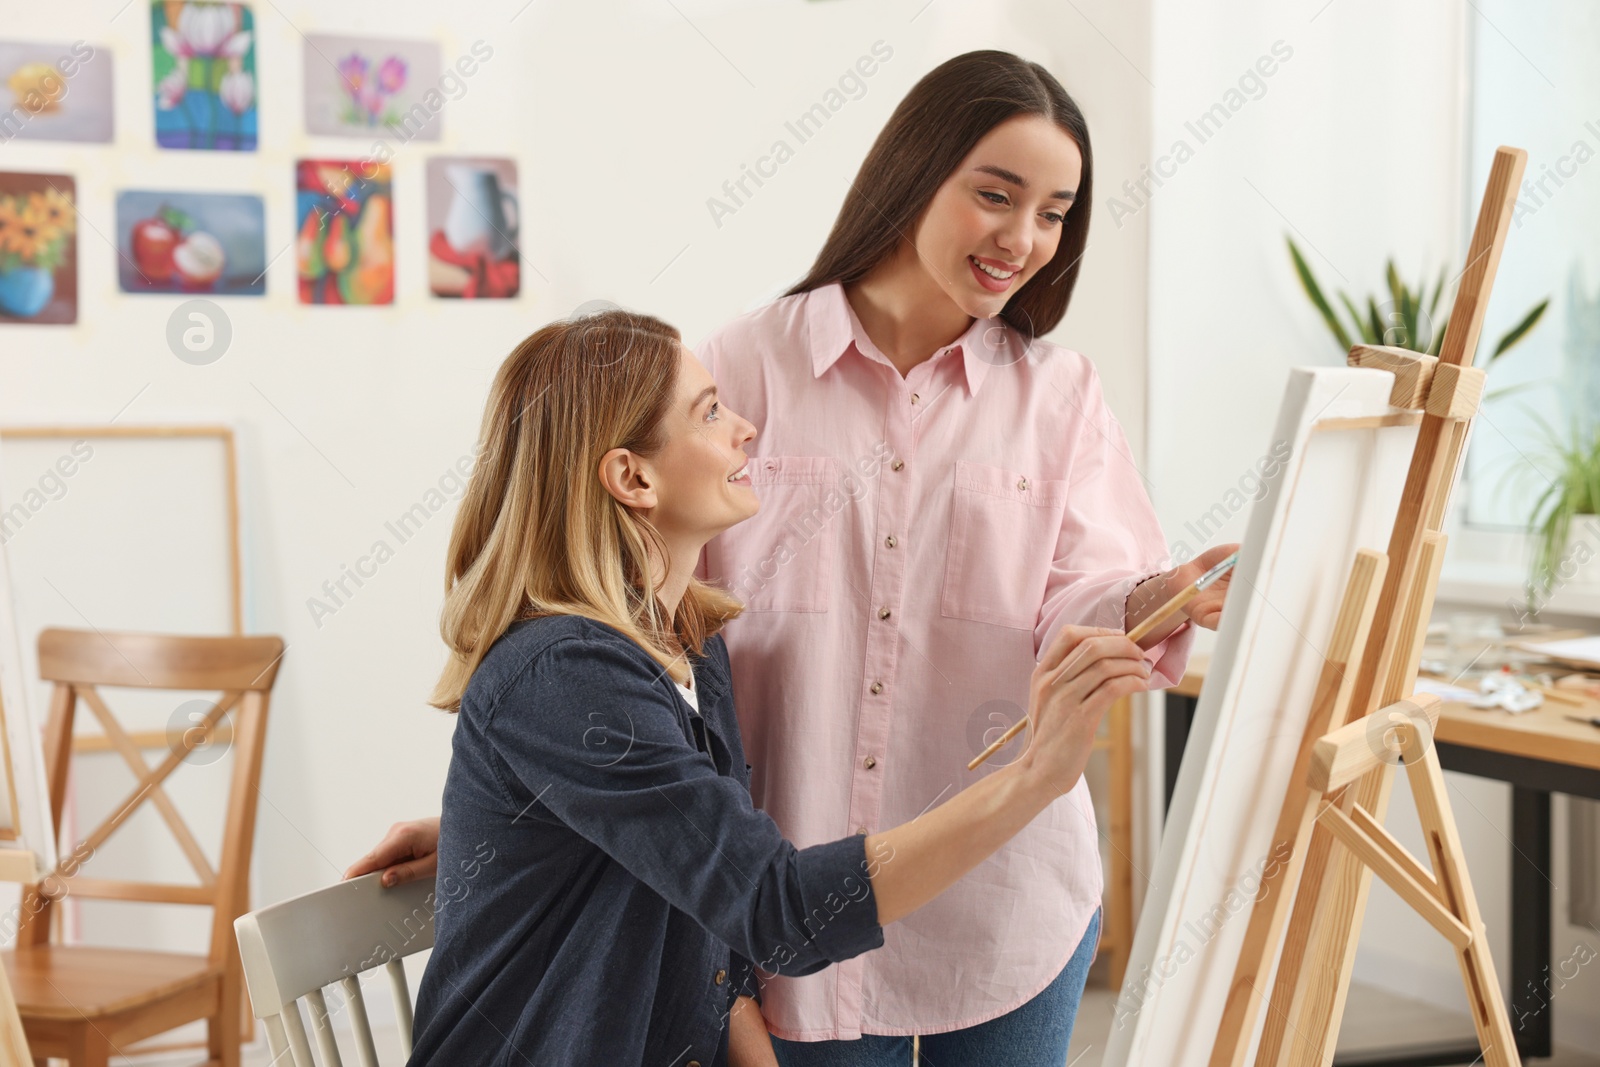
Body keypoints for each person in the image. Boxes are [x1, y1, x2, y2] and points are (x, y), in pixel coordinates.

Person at [389, 308, 1158, 1067]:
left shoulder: (688, 649)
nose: (746, 428)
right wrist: (1032, 778)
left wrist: (519, 827)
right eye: (710, 412)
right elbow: (776, 908)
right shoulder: (566, 673)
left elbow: (716, 927)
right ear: (633, 476)